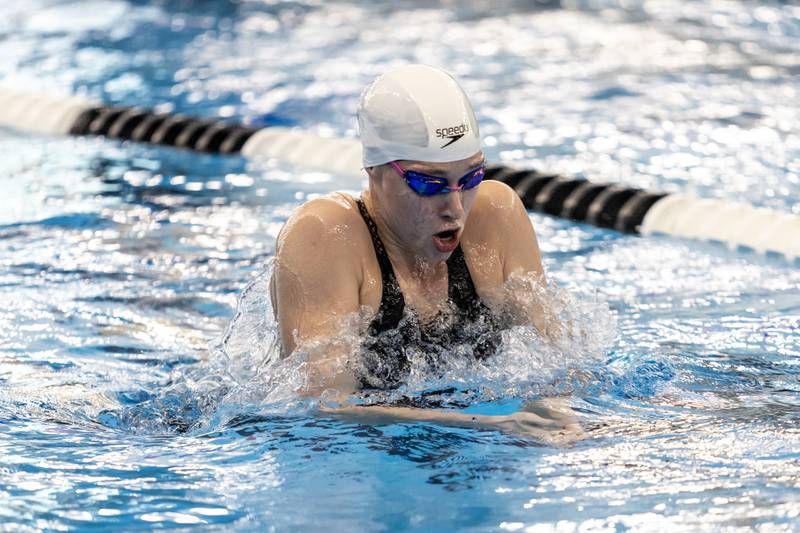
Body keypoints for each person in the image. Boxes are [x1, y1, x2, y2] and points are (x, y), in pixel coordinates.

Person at [270, 64, 579, 440]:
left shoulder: (496, 216)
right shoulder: (325, 235)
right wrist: (488, 427)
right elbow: (318, 410)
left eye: (470, 178)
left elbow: (553, 364)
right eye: (429, 183)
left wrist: (559, 421)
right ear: (374, 169)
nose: (455, 206)